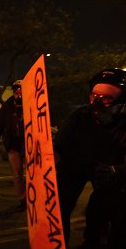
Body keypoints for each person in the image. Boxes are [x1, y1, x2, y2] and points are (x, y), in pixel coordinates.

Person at [55, 68, 126, 248]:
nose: (97, 103)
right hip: (77, 165)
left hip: (110, 170)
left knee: (108, 208)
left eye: (107, 99)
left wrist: (117, 171)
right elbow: (60, 148)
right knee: (57, 207)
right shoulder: (78, 117)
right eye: (95, 96)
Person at [0, 80, 26, 211]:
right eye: (17, 90)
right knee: (18, 173)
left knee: (32, 172)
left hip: (28, 142)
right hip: (13, 143)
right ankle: (22, 199)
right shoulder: (7, 105)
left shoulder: (31, 102)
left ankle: (36, 197)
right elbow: (0, 124)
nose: (19, 93)